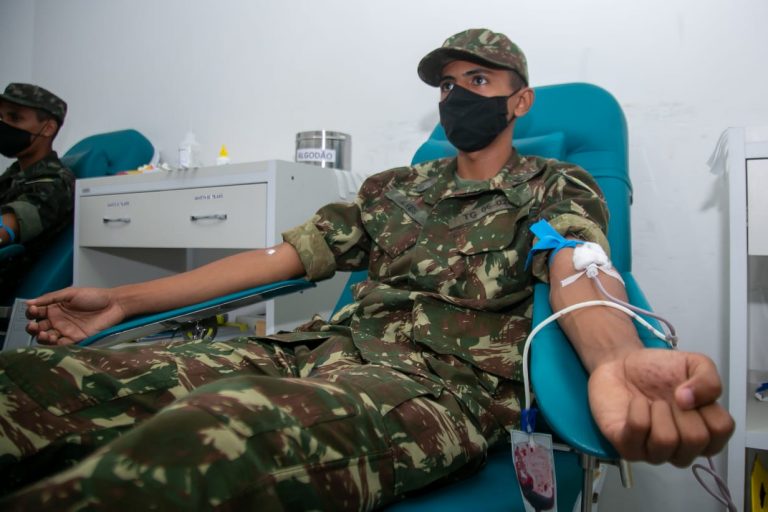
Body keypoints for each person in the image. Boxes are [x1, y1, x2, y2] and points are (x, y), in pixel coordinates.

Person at [0, 29, 733, 510]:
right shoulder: (393, 189)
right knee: (37, 384)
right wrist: (122, 303)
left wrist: (618, 358)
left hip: (437, 387)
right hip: (310, 352)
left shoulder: (553, 184)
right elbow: (276, 260)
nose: (457, 96)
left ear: (520, 99)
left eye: (478, 80)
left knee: (224, 432)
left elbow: (581, 266)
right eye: (446, 84)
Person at [0, 83, 74, 302]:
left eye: (14, 118)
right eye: (1, 117)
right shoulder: (14, 174)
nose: (3, 125)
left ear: (48, 128)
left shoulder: (55, 183)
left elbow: (5, 228)